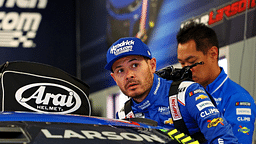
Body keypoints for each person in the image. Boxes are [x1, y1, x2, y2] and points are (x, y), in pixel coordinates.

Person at [105, 37, 240, 144]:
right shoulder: (123, 116)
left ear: (152, 66)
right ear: (114, 78)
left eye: (135, 65)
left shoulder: (187, 94)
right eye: (120, 70)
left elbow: (223, 138)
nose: (129, 75)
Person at [176, 22, 256, 144]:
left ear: (213, 54)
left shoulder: (238, 98)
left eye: (191, 61)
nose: (185, 70)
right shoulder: (181, 96)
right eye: (182, 63)